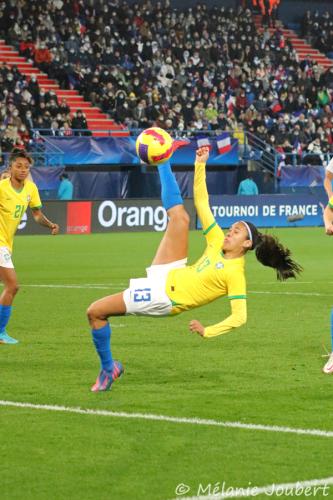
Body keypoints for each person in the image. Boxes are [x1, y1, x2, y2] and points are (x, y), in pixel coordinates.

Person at [86, 146, 302, 392]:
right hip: (170, 273)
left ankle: (108, 369)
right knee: (181, 218)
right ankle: (163, 157)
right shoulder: (216, 243)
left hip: (163, 297)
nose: (230, 231)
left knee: (95, 312)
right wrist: (200, 165)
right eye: (232, 227)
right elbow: (201, 202)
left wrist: (207, 331)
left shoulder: (234, 274)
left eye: (237, 231)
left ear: (247, 244)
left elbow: (240, 317)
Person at [0, 149, 59, 344]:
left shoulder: (30, 189)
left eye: (26, 167)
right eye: (19, 166)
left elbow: (36, 215)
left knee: (11, 286)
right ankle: (0, 332)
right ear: (10, 167)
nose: (23, 170)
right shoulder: (1, 187)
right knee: (13, 285)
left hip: (7, 244)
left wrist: (50, 224)